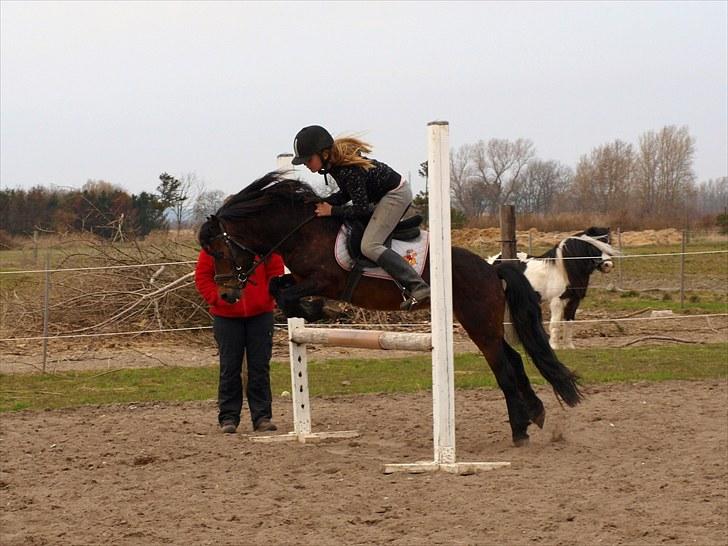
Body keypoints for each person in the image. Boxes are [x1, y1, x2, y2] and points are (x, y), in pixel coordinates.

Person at [291, 124, 430, 310]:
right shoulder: (335, 166)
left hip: (396, 195)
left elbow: (361, 209)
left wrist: (331, 211)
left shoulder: (348, 170)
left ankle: (417, 286)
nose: (307, 165)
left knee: (370, 246)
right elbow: (345, 195)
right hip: (383, 196)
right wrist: (320, 201)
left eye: (308, 160)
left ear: (323, 154)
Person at [195, 246, 284, 433]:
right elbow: (203, 277)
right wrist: (217, 299)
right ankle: (228, 417)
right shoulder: (214, 248)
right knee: (229, 367)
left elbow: (276, 272)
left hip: (260, 315)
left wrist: (269, 299)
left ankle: (262, 417)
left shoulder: (261, 243)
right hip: (226, 317)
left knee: (259, 367)